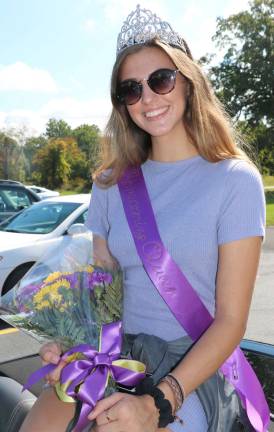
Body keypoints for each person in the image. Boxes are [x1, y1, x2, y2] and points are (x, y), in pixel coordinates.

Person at [20, 5, 266, 432]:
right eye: (130, 90)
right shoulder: (111, 185)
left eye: (160, 80)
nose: (147, 99)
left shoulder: (234, 181)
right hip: (117, 354)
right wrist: (71, 343)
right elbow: (103, 296)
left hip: (193, 367)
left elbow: (231, 321)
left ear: (188, 81)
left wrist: (159, 402)